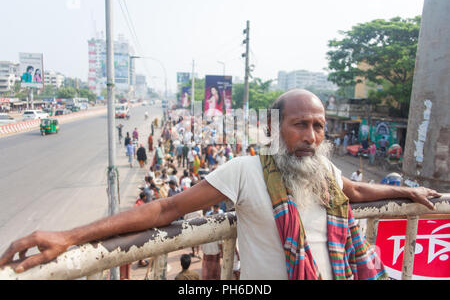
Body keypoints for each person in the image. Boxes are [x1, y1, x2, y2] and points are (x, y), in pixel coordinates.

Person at [0, 89, 441, 280]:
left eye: (319, 127)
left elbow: (358, 192)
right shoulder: (245, 171)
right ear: (273, 127)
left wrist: (408, 192)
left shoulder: (324, 172)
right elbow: (165, 211)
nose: (310, 137)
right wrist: (68, 235)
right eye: (299, 125)